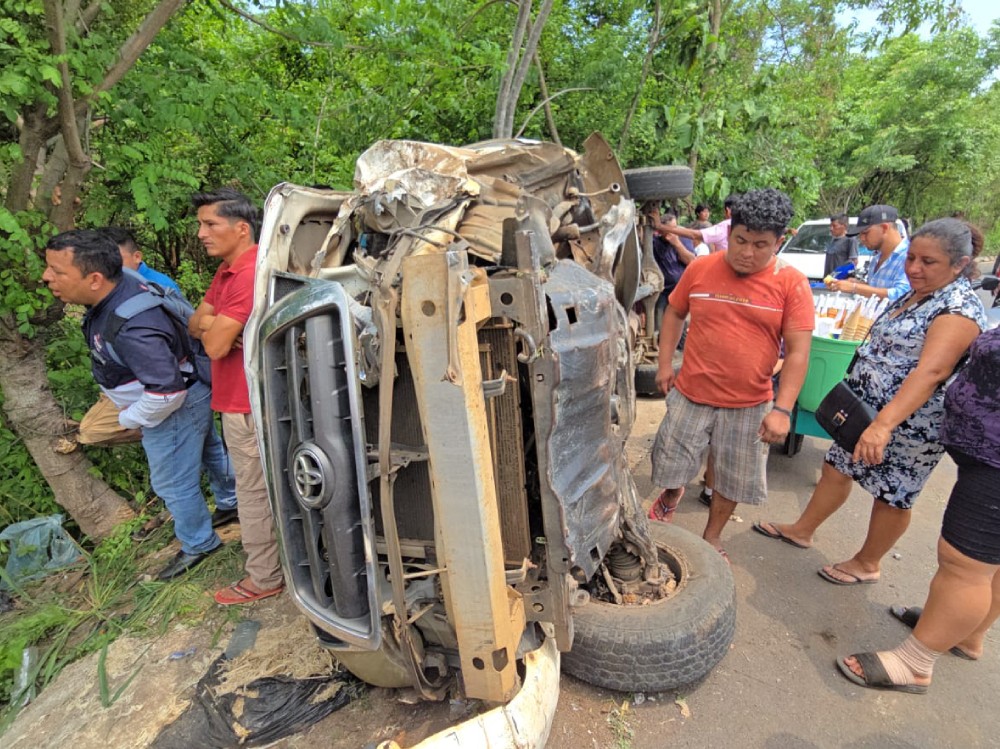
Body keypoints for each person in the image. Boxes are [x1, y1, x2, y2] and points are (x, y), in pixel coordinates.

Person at [754, 218, 987, 584]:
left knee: (893, 493)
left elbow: (931, 373)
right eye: (911, 258)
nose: (914, 268)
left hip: (908, 424)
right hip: (866, 409)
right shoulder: (918, 293)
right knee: (837, 466)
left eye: (928, 262)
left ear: (958, 265)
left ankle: (867, 562)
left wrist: (882, 426)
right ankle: (803, 529)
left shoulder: (956, 308)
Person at [42, 230, 234, 580]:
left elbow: (167, 393)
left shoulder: (133, 326)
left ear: (95, 279)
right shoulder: (124, 282)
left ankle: (199, 543)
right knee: (210, 451)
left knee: (173, 483)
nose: (47, 277)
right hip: (193, 391)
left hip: (174, 408)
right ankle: (231, 504)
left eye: (57, 271)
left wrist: (131, 417)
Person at [647, 188, 814, 560]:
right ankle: (672, 495)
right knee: (671, 460)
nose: (747, 252)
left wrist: (782, 410)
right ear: (729, 231)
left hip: (750, 403)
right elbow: (674, 313)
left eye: (761, 245)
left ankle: (712, 535)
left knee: (733, 476)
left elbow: (800, 352)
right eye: (740, 240)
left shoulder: (792, 283)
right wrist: (663, 365)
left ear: (779, 241)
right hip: (691, 393)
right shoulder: (701, 268)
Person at [836, 325, 1000, 693]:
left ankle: (916, 664)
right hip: (983, 452)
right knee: (990, 560)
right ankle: (967, 634)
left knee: (965, 564)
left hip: (995, 465)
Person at [188, 188, 284, 605]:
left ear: (241, 228)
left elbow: (211, 345)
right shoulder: (231, 268)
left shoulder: (248, 274)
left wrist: (221, 331)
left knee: (254, 492)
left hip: (248, 405)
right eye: (200, 224)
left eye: (210, 224)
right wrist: (219, 328)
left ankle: (264, 578)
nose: (201, 234)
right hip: (240, 399)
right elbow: (196, 322)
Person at [826, 204, 910, 301]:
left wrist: (855, 287)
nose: (861, 239)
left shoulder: (910, 256)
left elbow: (902, 295)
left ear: (884, 228)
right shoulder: (876, 258)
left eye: (865, 233)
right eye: (860, 234)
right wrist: (858, 284)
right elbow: (876, 289)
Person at [647, 211, 696, 329]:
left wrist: (677, 244)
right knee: (659, 323)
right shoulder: (654, 242)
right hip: (663, 291)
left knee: (681, 323)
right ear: (661, 230)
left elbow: (691, 261)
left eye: (676, 227)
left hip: (681, 289)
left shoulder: (682, 239)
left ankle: (680, 346)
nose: (675, 231)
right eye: (671, 229)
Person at [105, 226, 182, 293]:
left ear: (137, 257)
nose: (109, 266)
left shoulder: (163, 286)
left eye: (115, 259)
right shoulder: (100, 285)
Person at [657, 194, 740, 253]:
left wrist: (661, 226)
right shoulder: (746, 226)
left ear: (728, 210)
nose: (707, 214)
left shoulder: (723, 227)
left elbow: (694, 235)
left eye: (708, 212)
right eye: (704, 212)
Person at [823, 213, 859, 278]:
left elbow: (854, 262)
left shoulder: (850, 240)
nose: (831, 228)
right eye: (830, 226)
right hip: (828, 280)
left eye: (834, 226)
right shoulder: (832, 240)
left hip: (841, 282)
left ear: (844, 226)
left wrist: (840, 274)